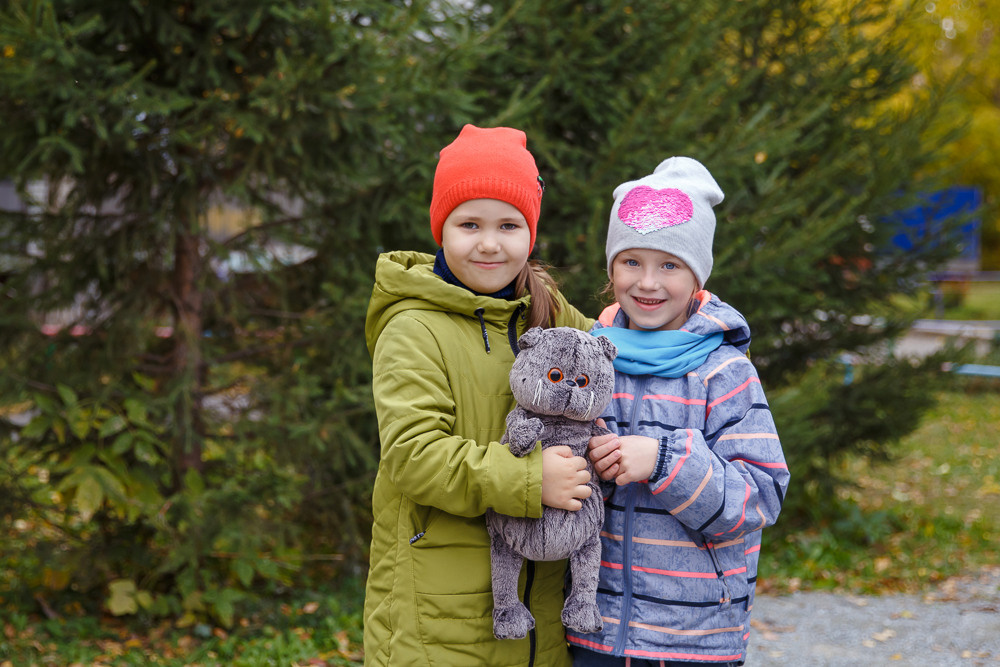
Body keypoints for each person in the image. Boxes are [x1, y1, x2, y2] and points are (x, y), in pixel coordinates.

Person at [363, 124, 595, 666]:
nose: (490, 243)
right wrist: (533, 480)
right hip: (441, 613)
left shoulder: (548, 312)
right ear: (441, 228)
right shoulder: (414, 328)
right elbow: (412, 456)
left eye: (509, 225)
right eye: (470, 223)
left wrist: (694, 322)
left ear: (530, 234)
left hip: (536, 613)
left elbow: (620, 349)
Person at [567, 157, 790, 666]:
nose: (647, 283)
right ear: (611, 269)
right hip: (591, 634)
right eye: (631, 262)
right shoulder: (590, 360)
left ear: (697, 275)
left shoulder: (723, 372)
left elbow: (761, 498)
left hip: (694, 642)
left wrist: (665, 462)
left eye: (669, 265)